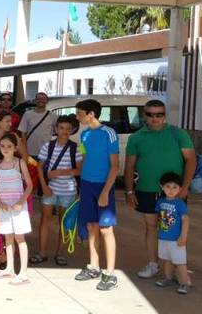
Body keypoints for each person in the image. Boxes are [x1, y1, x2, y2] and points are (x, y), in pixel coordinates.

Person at [125, 99, 196, 280]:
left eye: (159, 114)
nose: (155, 118)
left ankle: (174, 268)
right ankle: (153, 265)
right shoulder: (136, 138)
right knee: (151, 228)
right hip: (146, 190)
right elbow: (129, 166)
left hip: (173, 192)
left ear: (165, 116)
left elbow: (191, 160)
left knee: (174, 229)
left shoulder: (178, 134)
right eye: (150, 114)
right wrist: (129, 191)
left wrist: (185, 187)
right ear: (144, 115)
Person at [74, 99, 119, 291]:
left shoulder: (109, 133)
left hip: (103, 186)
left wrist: (106, 191)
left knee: (105, 228)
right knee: (91, 226)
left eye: (80, 113)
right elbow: (84, 159)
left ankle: (110, 273)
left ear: (91, 114)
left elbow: (115, 166)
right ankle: (93, 266)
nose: (78, 117)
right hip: (86, 184)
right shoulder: (83, 135)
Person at [31, 115, 83, 267]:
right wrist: (44, 186)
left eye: (68, 128)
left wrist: (59, 173)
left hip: (68, 191)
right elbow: (40, 167)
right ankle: (42, 252)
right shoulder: (48, 146)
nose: (64, 131)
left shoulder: (77, 147)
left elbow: (79, 170)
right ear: (56, 129)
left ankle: (60, 253)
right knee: (44, 221)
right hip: (50, 190)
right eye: (61, 128)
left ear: (72, 130)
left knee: (64, 223)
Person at [0, 133, 33, 285]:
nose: (5, 149)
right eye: (2, 146)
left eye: (9, 146)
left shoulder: (20, 163)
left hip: (18, 206)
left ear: (15, 148)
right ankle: (9, 269)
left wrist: (21, 202)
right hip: (5, 206)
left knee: (19, 238)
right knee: (8, 237)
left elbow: (29, 185)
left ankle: (23, 272)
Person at [154, 172, 192, 294]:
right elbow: (159, 217)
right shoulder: (160, 202)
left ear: (180, 189)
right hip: (163, 237)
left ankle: (184, 283)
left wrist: (183, 236)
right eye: (168, 187)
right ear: (162, 187)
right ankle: (168, 278)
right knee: (167, 260)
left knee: (180, 262)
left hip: (176, 239)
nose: (171, 190)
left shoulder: (180, 203)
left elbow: (185, 221)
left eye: (175, 187)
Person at [18, 92, 56, 161]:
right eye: (38, 98)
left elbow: (58, 130)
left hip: (46, 152)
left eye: (43, 99)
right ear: (35, 100)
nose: (40, 100)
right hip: (30, 151)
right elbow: (23, 132)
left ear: (47, 101)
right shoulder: (27, 114)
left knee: (44, 171)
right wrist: (25, 149)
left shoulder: (53, 116)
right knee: (31, 171)